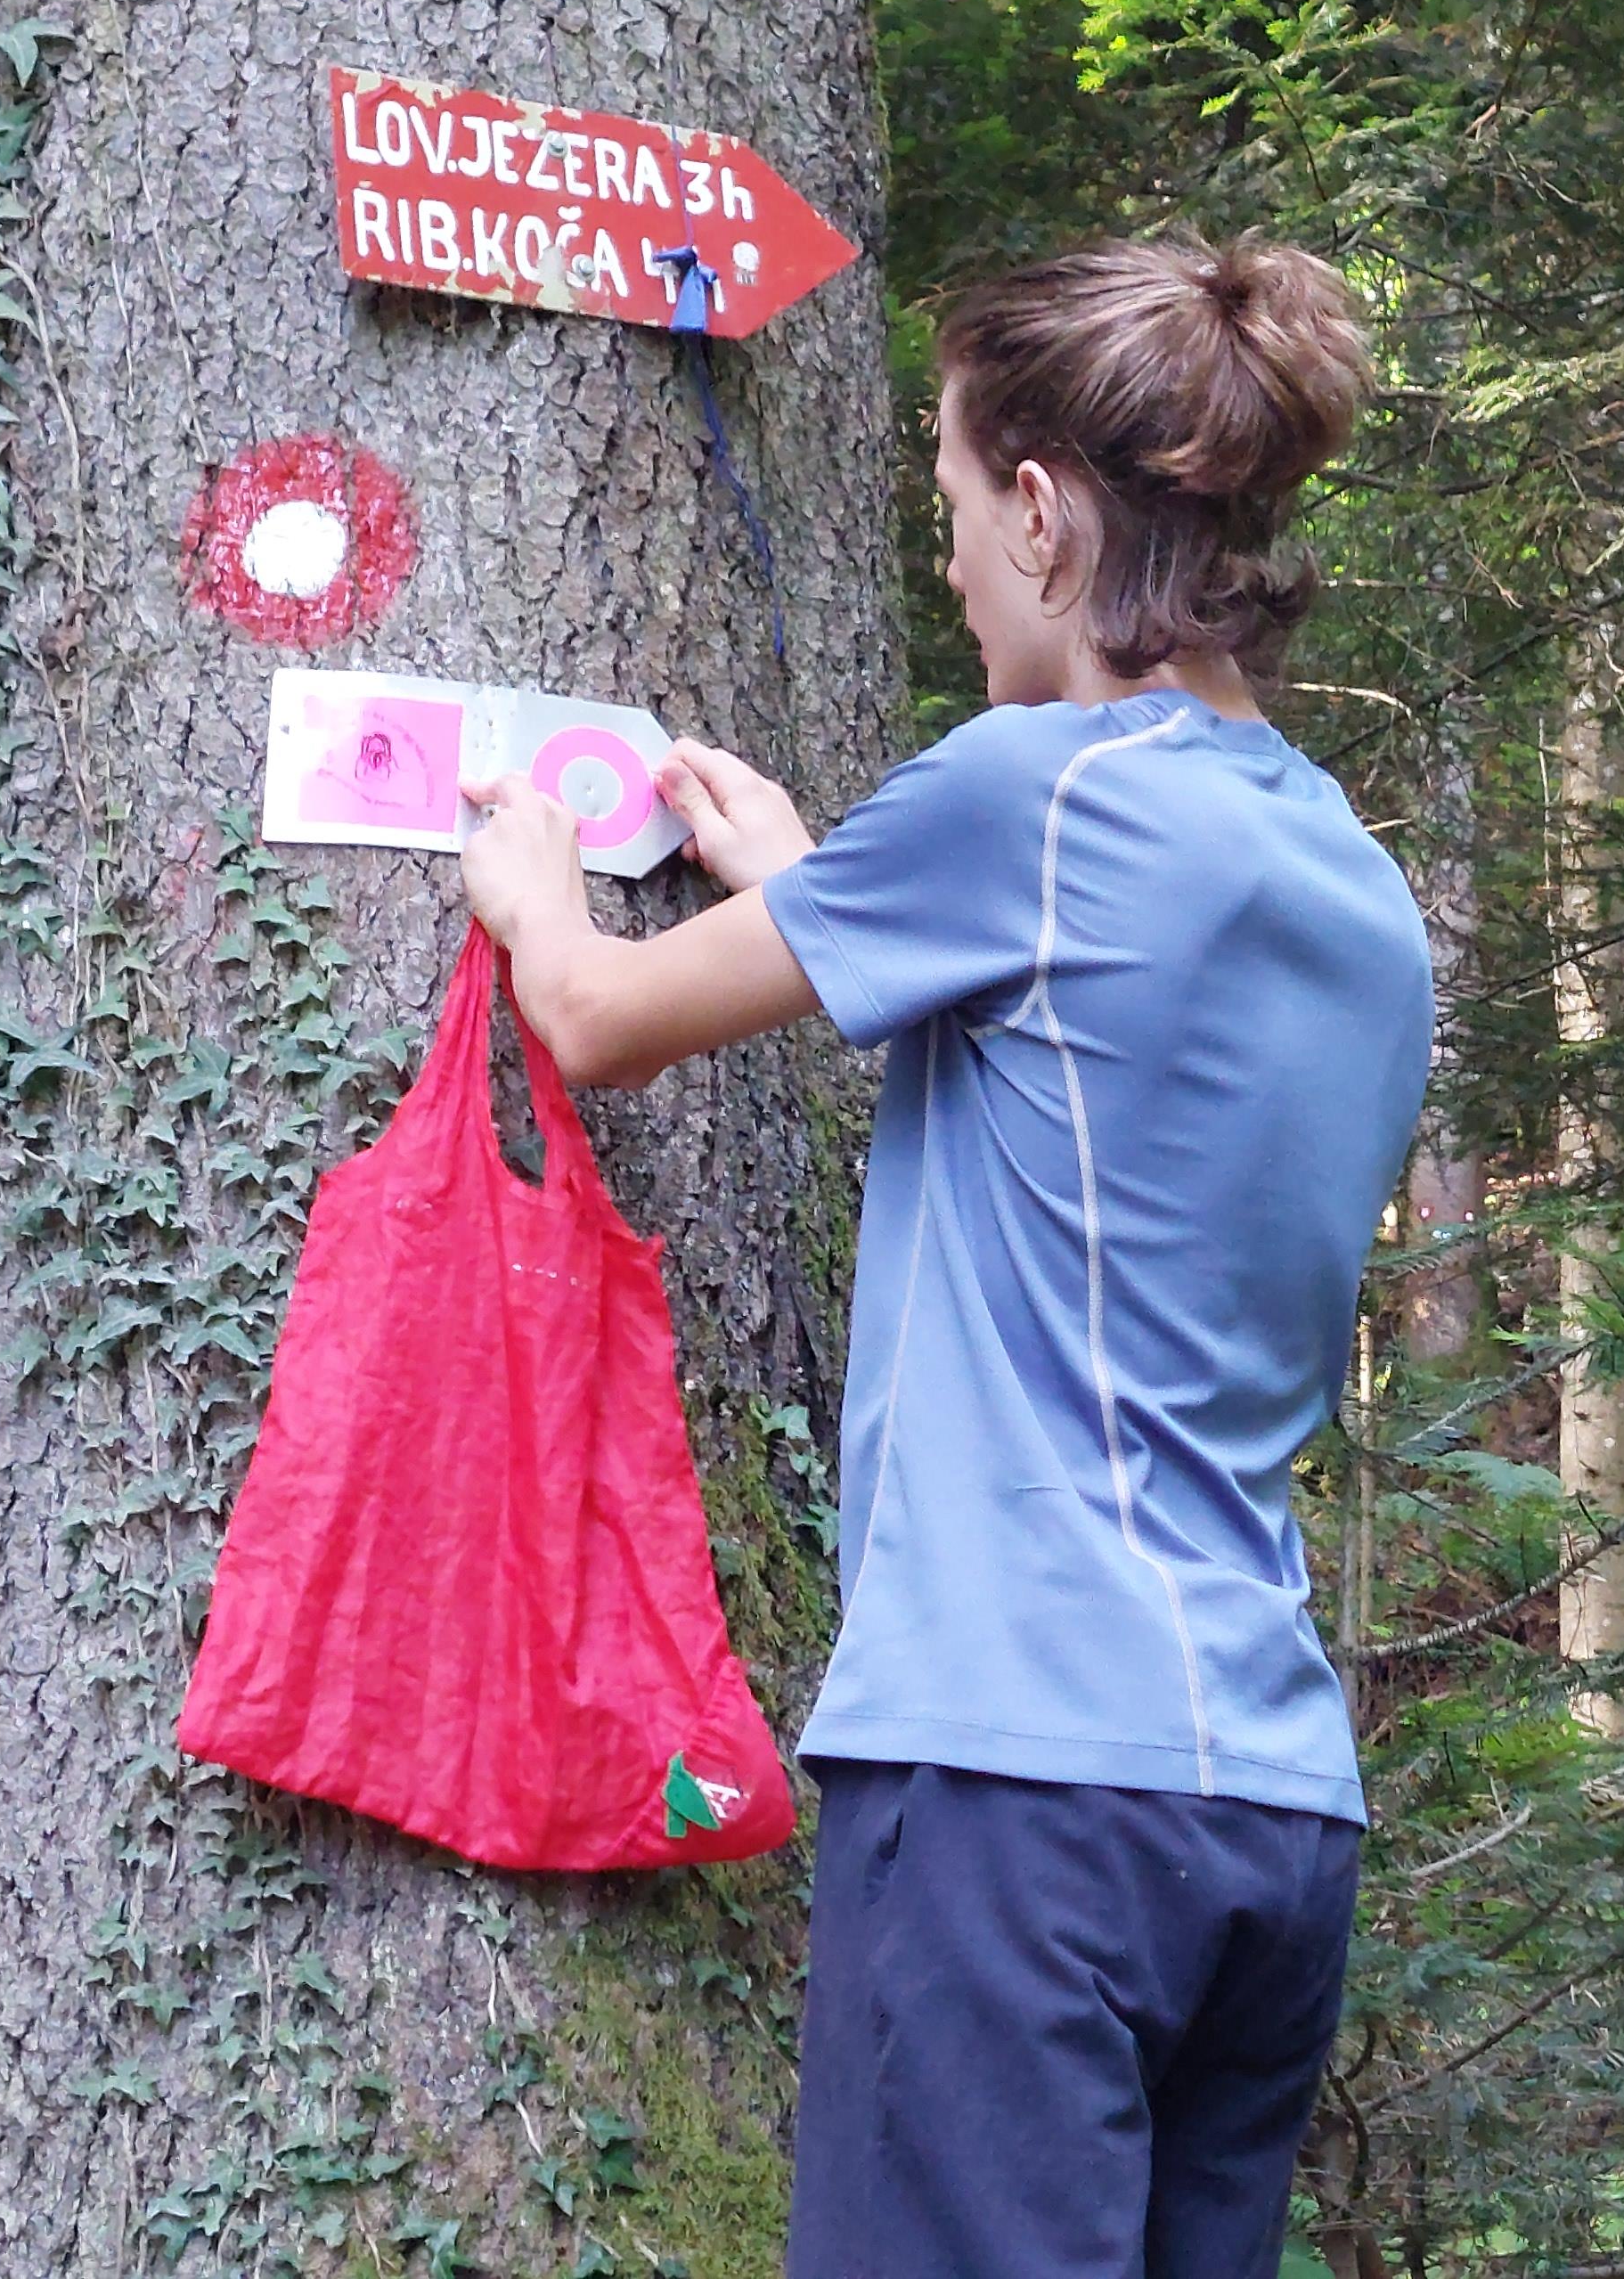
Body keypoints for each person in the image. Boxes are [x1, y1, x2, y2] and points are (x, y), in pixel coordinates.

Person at [458, 234, 1434, 2279]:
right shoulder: (1342, 872)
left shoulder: (1026, 795)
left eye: (953, 512)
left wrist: (529, 877)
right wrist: (817, 889)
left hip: (1016, 1779)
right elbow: (1081, 1093)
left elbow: (599, 1021)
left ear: (1043, 513)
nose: (956, 572)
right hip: (1266, 1807)